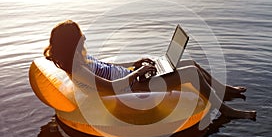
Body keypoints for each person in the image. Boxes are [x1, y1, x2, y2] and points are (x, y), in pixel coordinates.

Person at [44, 20, 256, 119]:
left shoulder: (81, 60)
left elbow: (109, 68)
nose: (84, 37)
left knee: (189, 63)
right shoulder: (79, 71)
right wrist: (136, 74)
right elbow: (110, 87)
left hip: (133, 77)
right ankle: (227, 112)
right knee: (190, 74)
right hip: (133, 88)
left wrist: (134, 63)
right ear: (72, 42)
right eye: (80, 35)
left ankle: (225, 89)